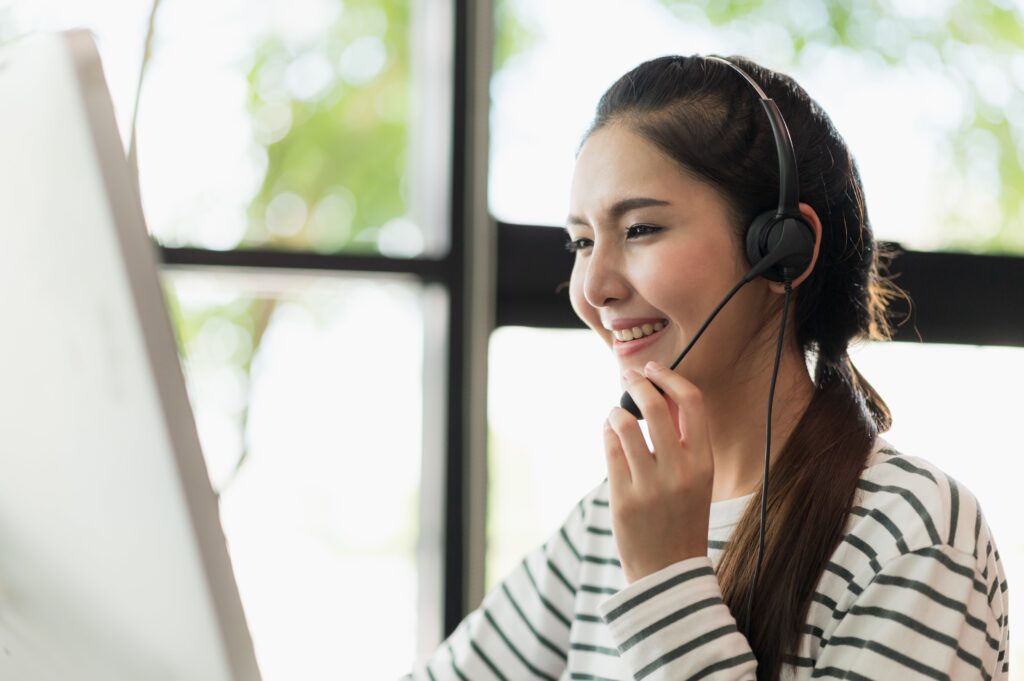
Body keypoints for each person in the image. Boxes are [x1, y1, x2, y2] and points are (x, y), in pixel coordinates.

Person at [404, 54, 1010, 680]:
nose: (595, 287)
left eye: (639, 229)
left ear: (782, 251)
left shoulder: (912, 531)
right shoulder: (605, 521)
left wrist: (667, 578)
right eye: (582, 242)